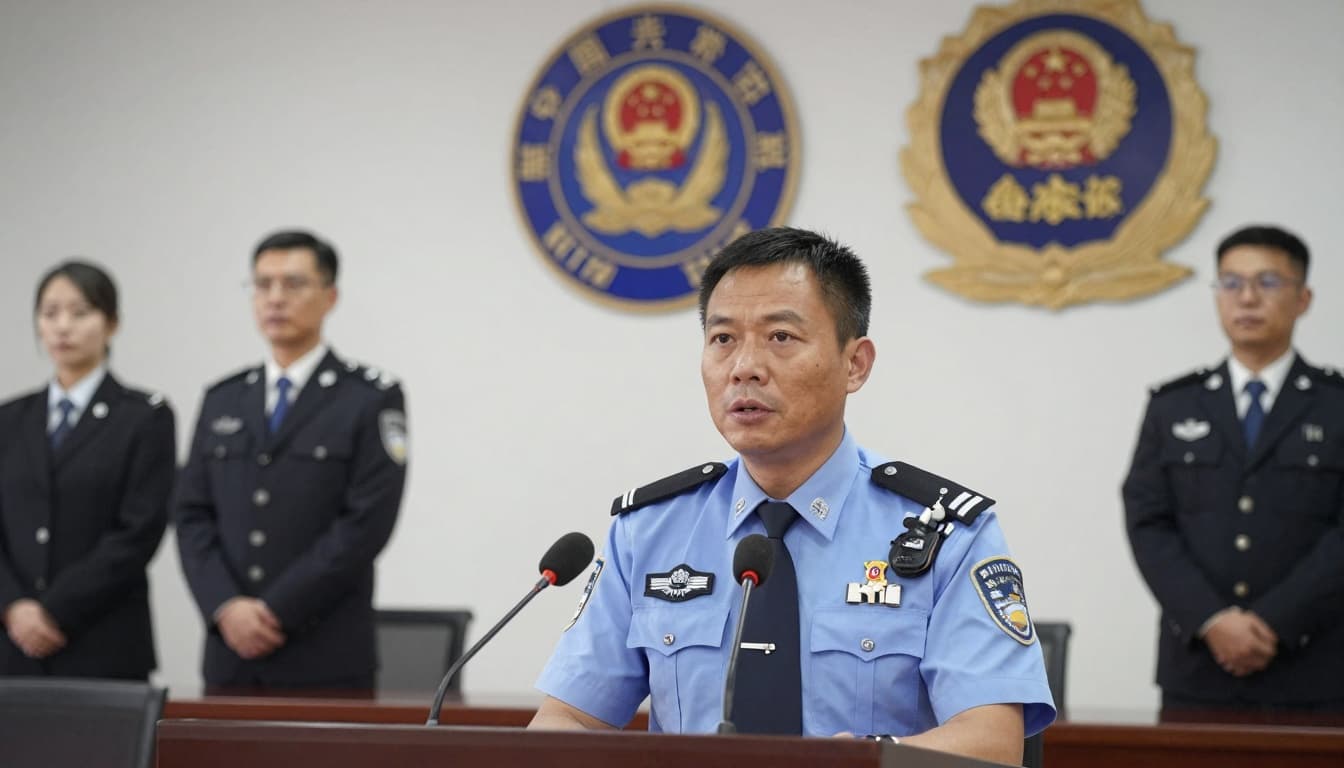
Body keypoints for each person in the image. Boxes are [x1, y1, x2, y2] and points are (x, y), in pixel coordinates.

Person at [529, 227, 1054, 763]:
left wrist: (866, 761)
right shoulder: (650, 530)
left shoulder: (948, 535)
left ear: (855, 364)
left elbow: (992, 744)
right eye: (722, 339)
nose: (744, 367)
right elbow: (566, 717)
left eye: (780, 337)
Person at [1123, 224, 1344, 714]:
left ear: (1303, 298)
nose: (1246, 298)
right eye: (1230, 283)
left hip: (1314, 668)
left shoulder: (1336, 405)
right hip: (1198, 667)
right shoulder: (1173, 404)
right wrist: (1212, 620)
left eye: (1267, 282)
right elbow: (1147, 521)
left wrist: (1276, 622)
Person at [175, 230, 407, 690]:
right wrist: (226, 607)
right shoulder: (223, 398)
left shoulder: (369, 397)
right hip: (230, 656)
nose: (275, 298)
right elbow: (190, 515)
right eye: (262, 285)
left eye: (294, 284)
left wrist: (273, 611)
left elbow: (366, 524)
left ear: (330, 296)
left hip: (325, 655)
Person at [0, 261, 175, 679]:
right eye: (50, 313)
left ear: (111, 323)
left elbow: (139, 531)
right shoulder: (9, 419)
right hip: (11, 645)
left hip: (102, 641)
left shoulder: (144, 417)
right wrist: (14, 607)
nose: (63, 327)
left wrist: (55, 611)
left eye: (80, 313)